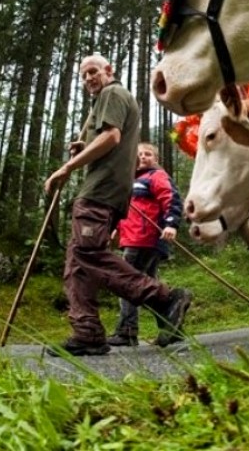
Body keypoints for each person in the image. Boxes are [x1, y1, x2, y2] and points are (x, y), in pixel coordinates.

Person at [44, 54, 192, 357]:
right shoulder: (110, 99)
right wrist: (86, 147)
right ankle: (87, 333)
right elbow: (111, 140)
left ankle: (164, 298)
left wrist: (67, 167)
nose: (88, 79)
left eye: (93, 72)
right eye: (83, 75)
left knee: (88, 254)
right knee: (77, 266)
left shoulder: (112, 93)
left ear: (108, 70)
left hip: (100, 191)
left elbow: (112, 137)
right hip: (107, 190)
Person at [107, 142, 183, 347]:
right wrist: (116, 229)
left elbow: (172, 199)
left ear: (155, 159)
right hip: (132, 238)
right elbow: (128, 212)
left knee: (126, 283)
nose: (142, 157)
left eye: (147, 154)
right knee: (147, 288)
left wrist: (171, 224)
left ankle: (126, 332)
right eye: (138, 154)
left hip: (146, 238)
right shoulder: (133, 181)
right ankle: (173, 328)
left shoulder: (156, 176)